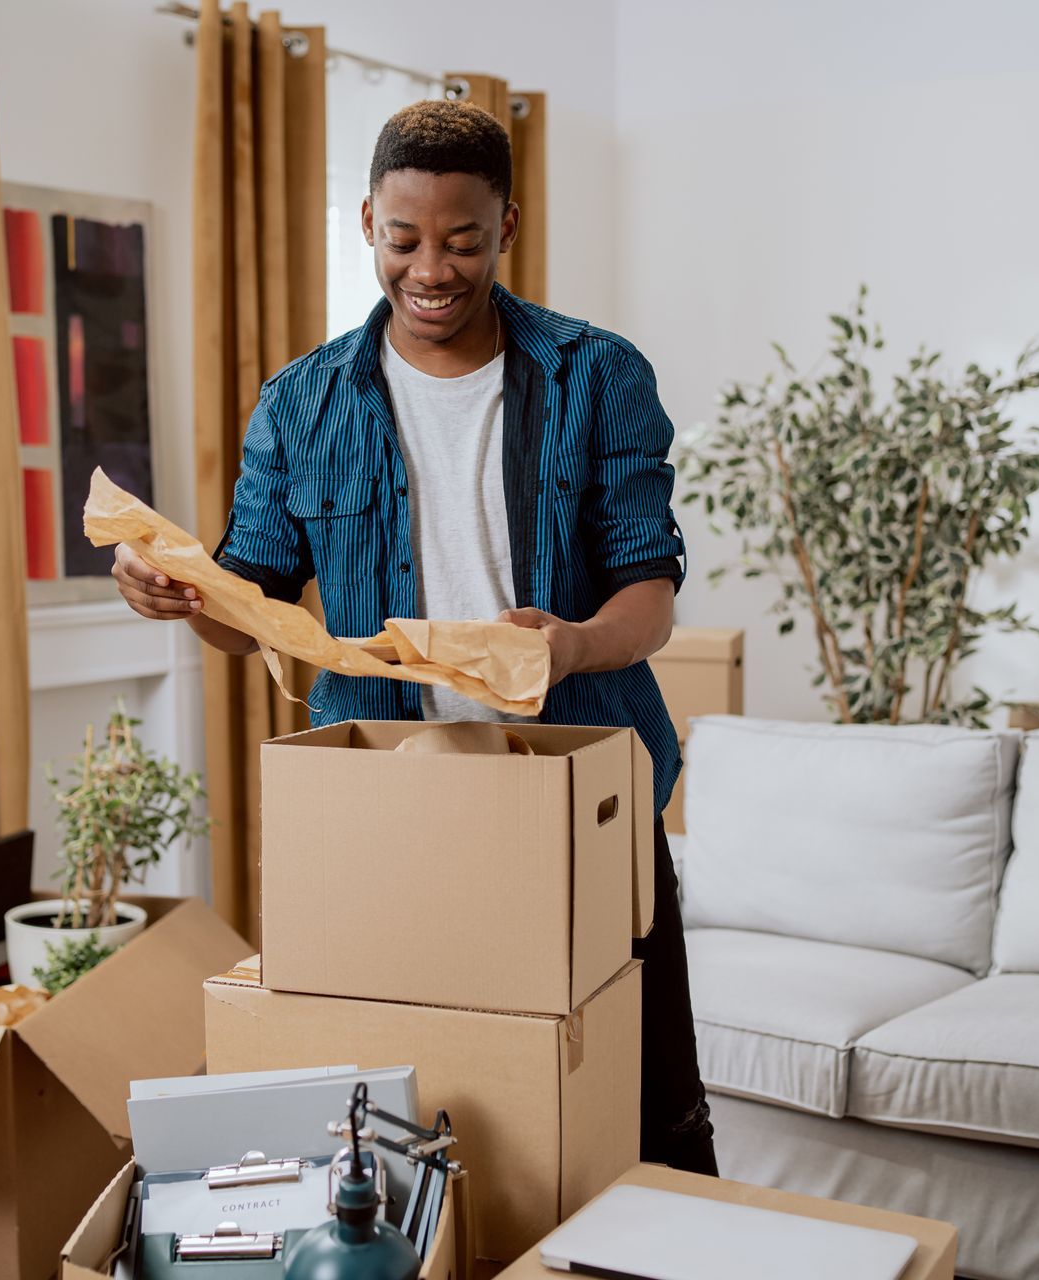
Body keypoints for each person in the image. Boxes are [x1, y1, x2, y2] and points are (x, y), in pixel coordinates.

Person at [113, 99, 716, 1174]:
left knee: (648, 1100)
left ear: (508, 225)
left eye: (462, 239)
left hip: (579, 796)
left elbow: (650, 594)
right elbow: (248, 606)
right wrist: (179, 594)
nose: (430, 268)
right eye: (404, 240)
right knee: (411, 1112)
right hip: (392, 807)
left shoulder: (599, 375)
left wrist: (566, 645)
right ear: (367, 225)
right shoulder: (302, 404)